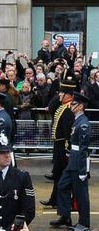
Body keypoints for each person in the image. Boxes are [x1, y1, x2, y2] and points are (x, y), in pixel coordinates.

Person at [51, 91, 91, 228]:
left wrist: (82, 171)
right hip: (73, 161)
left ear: (80, 106)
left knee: (81, 195)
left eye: (74, 104)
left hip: (78, 163)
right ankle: (65, 216)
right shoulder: (77, 120)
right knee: (62, 185)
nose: (71, 106)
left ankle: (84, 223)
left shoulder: (83, 123)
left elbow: (82, 149)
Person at [40, 78, 76, 208]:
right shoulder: (62, 106)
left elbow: (67, 132)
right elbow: (52, 105)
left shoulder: (68, 109)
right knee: (57, 174)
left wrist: (67, 150)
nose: (59, 95)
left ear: (68, 95)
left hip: (62, 146)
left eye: (62, 93)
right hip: (58, 145)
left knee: (62, 175)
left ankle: (62, 202)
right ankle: (54, 199)